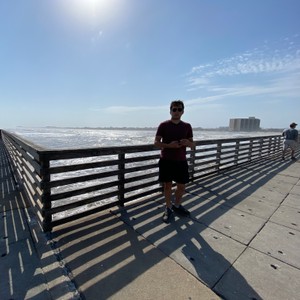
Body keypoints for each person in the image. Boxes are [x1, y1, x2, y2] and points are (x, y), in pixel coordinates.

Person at [154, 100, 195, 223]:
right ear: (170, 110)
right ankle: (168, 208)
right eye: (174, 109)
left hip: (181, 161)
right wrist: (169, 145)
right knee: (167, 186)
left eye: (179, 109)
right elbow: (156, 143)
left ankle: (176, 205)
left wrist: (188, 143)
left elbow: (193, 144)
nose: (176, 112)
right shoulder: (163, 125)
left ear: (183, 111)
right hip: (166, 160)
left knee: (181, 186)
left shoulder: (187, 126)